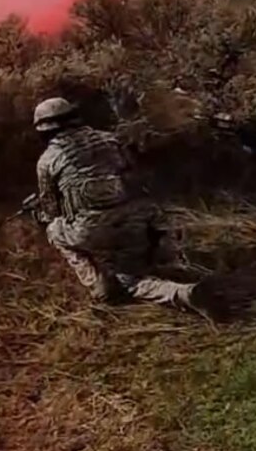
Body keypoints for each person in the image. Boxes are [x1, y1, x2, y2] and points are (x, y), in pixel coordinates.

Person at [31, 97, 203, 311]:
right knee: (152, 226)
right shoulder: (110, 139)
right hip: (139, 221)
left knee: (55, 232)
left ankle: (103, 285)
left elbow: (51, 210)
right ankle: (171, 260)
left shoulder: (47, 160)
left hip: (95, 231)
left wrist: (41, 216)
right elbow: (136, 176)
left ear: (44, 129)